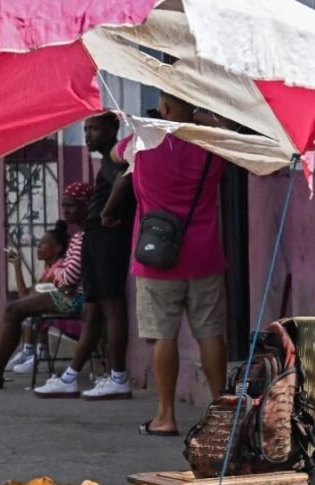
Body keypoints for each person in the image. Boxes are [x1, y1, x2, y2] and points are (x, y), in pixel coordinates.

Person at [116, 92, 227, 436]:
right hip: (204, 255)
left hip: (157, 258)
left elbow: (114, 153)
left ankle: (165, 416)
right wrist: (199, 118)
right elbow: (229, 131)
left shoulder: (142, 143)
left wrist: (152, 125)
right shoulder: (210, 145)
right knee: (210, 333)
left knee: (164, 336)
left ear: (163, 108)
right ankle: (222, 414)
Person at [35, 113, 137, 400]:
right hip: (96, 238)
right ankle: (70, 377)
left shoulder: (116, 158)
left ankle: (118, 377)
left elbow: (124, 181)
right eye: (86, 129)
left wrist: (106, 212)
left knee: (112, 307)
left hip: (107, 239)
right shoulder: (106, 160)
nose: (88, 135)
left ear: (113, 129)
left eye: (94, 128)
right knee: (92, 310)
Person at [0, 183, 90, 390]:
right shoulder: (77, 237)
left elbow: (70, 276)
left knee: (14, 310)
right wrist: (62, 275)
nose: (65, 210)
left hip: (77, 298)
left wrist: (59, 274)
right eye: (63, 205)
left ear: (86, 205)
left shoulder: (86, 236)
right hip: (68, 294)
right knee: (11, 310)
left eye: (71, 205)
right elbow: (66, 275)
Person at [5, 222, 70, 374]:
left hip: (66, 306)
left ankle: (39, 355)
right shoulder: (49, 268)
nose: (38, 247)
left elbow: (27, 297)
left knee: (31, 308)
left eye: (44, 243)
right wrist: (17, 267)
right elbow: (25, 295)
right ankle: (29, 351)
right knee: (27, 306)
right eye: (39, 243)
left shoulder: (59, 266)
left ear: (58, 248)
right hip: (55, 305)